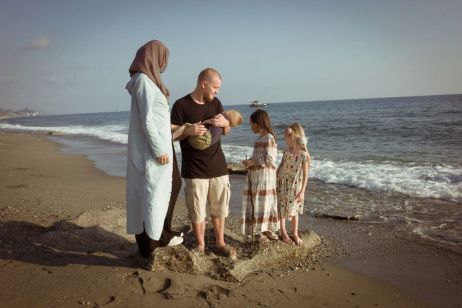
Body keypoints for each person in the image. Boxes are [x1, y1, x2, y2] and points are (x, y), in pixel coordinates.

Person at [125, 40, 183, 269]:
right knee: (154, 193)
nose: (163, 64)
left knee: (154, 192)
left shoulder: (147, 81)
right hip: (154, 151)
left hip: (158, 146)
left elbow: (155, 120)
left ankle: (156, 237)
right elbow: (148, 119)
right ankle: (154, 241)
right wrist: (160, 150)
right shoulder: (143, 82)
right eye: (162, 58)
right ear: (152, 57)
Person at [171, 68, 237, 259]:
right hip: (194, 170)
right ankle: (200, 245)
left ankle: (220, 243)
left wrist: (226, 124)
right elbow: (170, 135)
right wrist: (188, 131)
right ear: (203, 84)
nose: (217, 91)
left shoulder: (216, 103)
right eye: (215, 87)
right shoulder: (181, 105)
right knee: (197, 211)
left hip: (218, 166)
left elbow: (226, 130)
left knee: (219, 209)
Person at [241, 109, 279, 243]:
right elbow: (258, 157)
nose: (251, 127)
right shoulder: (259, 139)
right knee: (259, 203)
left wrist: (253, 162)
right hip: (258, 177)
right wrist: (249, 161)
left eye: (251, 124)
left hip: (266, 178)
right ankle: (258, 231)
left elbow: (270, 160)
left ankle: (266, 229)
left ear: (257, 124)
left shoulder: (269, 138)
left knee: (266, 203)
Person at [276, 123, 311, 246]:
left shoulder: (303, 155)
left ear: (294, 137)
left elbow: (306, 175)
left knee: (294, 210)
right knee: (281, 207)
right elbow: (281, 165)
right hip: (282, 183)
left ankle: (294, 233)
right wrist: (275, 177)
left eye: (286, 136)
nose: (284, 138)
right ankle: (283, 231)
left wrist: (302, 191)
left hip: (296, 186)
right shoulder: (286, 151)